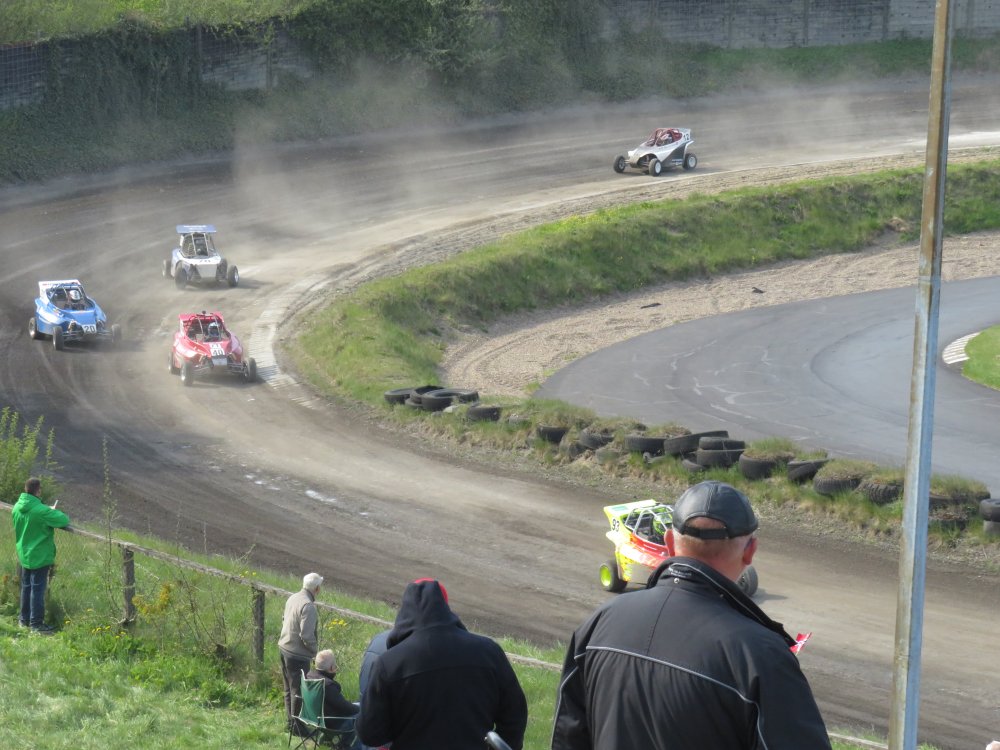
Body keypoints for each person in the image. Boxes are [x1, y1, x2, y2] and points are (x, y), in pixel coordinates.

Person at [551, 480, 832, 750]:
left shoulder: (599, 623)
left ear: (669, 544)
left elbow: (567, 737)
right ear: (750, 551)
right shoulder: (761, 655)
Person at [357, 578, 527, 750]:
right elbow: (515, 714)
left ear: (404, 614)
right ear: (446, 609)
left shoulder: (389, 663)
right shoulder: (489, 651)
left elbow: (370, 734)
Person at [12, 476, 70, 635]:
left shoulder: (17, 506)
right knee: (37, 590)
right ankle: (36, 624)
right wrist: (51, 511)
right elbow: (64, 520)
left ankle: (23, 620)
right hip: (39, 555)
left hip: (24, 553)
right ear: (38, 491)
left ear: (26, 489)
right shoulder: (42, 511)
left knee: (26, 587)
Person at [279, 571, 323, 736]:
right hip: (297, 655)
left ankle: (290, 723)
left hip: (284, 648)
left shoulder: (292, 598)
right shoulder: (308, 606)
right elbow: (306, 635)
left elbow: (284, 620)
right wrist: (315, 651)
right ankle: (297, 727)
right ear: (316, 589)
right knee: (298, 692)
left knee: (288, 689)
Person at [306, 649, 360, 743]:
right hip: (331, 722)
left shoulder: (310, 676)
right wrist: (361, 709)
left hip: (314, 718)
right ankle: (345, 745)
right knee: (361, 714)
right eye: (335, 666)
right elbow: (346, 708)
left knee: (358, 705)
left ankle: (327, 739)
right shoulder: (328, 685)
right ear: (331, 668)